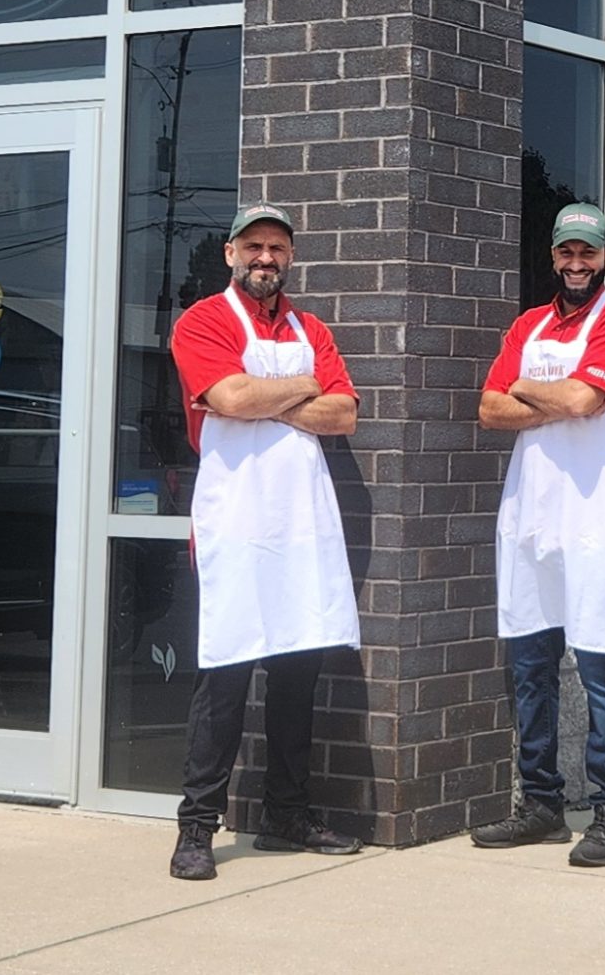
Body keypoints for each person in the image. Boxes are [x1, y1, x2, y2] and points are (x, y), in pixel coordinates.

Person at [162, 202, 364, 881]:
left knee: (297, 675)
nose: (266, 258)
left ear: (290, 258)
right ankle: (196, 826)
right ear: (230, 253)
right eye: (254, 245)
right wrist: (304, 384)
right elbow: (228, 397)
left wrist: (266, 393)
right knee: (224, 675)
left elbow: (345, 414)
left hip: (302, 525)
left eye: (277, 247)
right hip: (236, 522)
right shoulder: (204, 321)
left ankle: (287, 812)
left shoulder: (312, 326)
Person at [469, 203, 605, 868]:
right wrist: (554, 392)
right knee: (530, 668)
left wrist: (528, 387)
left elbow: (582, 402)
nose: (576, 263)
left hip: (597, 514)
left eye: (588, 252)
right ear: (553, 256)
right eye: (566, 252)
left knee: (602, 668)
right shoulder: (528, 324)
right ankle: (541, 803)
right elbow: (489, 409)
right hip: (530, 515)